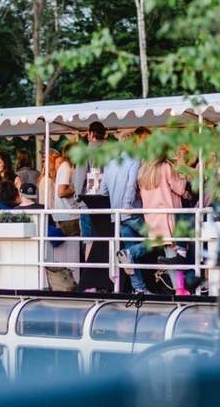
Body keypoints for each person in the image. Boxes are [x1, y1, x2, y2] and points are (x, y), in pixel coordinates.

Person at [103, 126, 151, 293]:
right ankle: (130, 253)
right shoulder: (135, 161)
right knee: (160, 239)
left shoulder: (109, 165)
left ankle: (139, 288)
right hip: (131, 212)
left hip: (116, 215)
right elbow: (131, 185)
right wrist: (128, 205)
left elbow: (103, 191)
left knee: (130, 250)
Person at [137, 155, 190, 295]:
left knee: (169, 253)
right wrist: (182, 169)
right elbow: (179, 187)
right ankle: (179, 289)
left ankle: (179, 288)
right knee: (175, 254)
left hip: (152, 218)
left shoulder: (143, 170)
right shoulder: (166, 167)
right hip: (169, 217)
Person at [48, 142, 80, 291]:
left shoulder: (64, 167)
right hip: (69, 215)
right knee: (74, 250)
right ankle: (73, 280)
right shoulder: (66, 168)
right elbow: (62, 191)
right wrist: (77, 188)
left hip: (65, 215)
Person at [74, 122, 107, 240]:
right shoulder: (111, 152)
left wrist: (77, 197)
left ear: (91, 133)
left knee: (89, 240)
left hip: (89, 201)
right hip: (107, 201)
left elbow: (79, 178)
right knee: (105, 239)